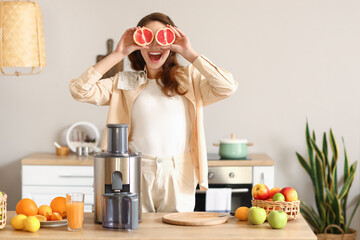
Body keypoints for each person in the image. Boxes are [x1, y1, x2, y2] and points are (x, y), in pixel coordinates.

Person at [69, 12, 238, 213]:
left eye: (162, 38)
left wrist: (189, 52)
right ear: (138, 44)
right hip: (135, 170)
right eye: (147, 38)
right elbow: (79, 90)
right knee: (136, 230)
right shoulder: (124, 82)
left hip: (179, 170)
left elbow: (228, 87)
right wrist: (118, 54)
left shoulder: (189, 79)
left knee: (177, 232)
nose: (155, 45)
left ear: (172, 44)